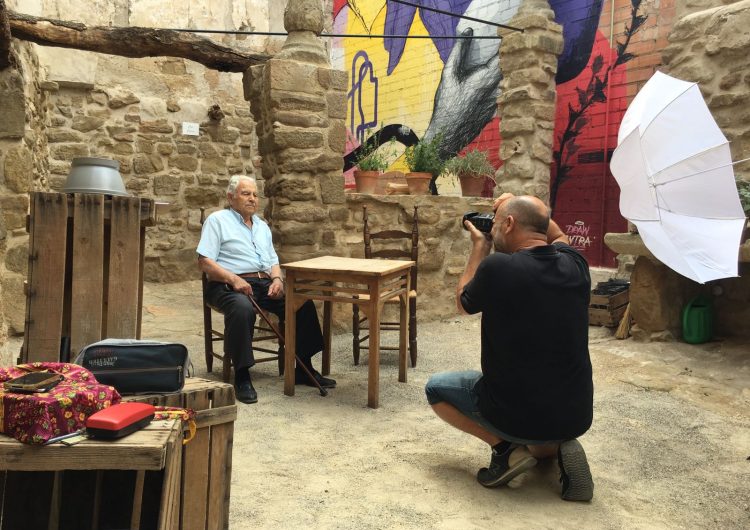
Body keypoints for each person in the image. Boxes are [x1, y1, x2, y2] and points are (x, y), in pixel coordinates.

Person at [425, 194, 594, 501]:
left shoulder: (497, 268)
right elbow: (554, 233)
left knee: (436, 389)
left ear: (510, 223)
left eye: (499, 221)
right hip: (575, 413)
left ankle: (506, 451)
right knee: (540, 436)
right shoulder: (576, 265)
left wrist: (480, 246)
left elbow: (464, 303)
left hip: (513, 412)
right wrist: (516, 201)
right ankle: (559, 444)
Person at [197, 175, 335, 404]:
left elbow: (273, 260)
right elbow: (204, 261)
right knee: (243, 309)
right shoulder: (217, 220)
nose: (252, 199)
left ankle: (303, 367)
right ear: (231, 197)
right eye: (245, 194)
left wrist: (278, 280)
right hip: (226, 285)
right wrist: (233, 279)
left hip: (264, 284)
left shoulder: (262, 226)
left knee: (302, 303)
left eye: (254, 194)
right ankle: (241, 374)